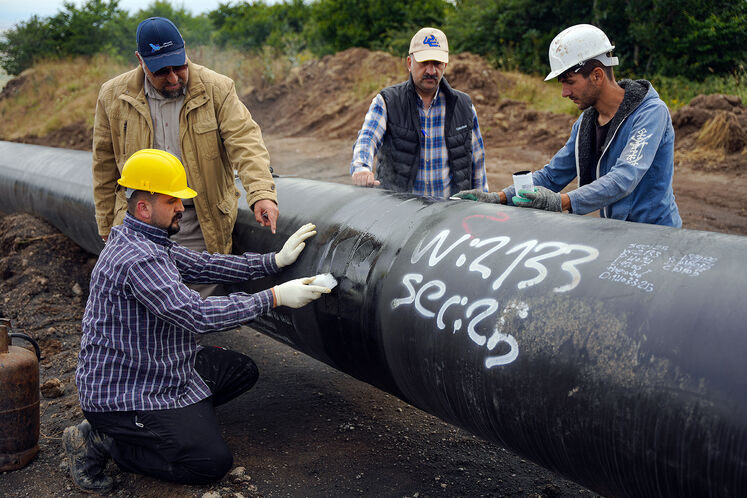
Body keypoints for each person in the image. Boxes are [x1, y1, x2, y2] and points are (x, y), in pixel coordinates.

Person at [63, 149, 330, 493]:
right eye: (173, 201)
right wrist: (274, 297)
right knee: (210, 462)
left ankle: (178, 423)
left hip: (155, 367)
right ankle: (104, 440)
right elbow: (196, 315)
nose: (181, 207)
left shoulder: (146, 240)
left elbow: (205, 265)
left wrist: (273, 261)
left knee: (241, 370)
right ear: (144, 207)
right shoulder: (138, 260)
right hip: (126, 394)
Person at [92, 16, 279, 261]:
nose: (173, 78)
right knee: (146, 295)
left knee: (198, 294)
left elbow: (245, 142)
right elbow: (104, 168)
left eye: (178, 66)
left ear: (184, 50)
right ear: (140, 61)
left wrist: (261, 192)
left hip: (199, 220)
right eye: (161, 71)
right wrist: (107, 228)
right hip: (139, 224)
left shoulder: (217, 89)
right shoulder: (113, 96)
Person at [456, 24, 681, 227]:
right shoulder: (586, 123)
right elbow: (553, 175)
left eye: (570, 82)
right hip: (619, 233)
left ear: (597, 75)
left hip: (658, 235)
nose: (564, 93)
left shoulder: (650, 113)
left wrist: (561, 202)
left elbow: (624, 178)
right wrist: (500, 198)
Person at [350, 27, 488, 198]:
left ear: (445, 65)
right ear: (409, 63)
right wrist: (361, 167)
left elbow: (478, 162)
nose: (431, 71)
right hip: (399, 210)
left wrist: (482, 205)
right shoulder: (388, 101)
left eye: (437, 64)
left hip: (449, 213)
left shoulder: (464, 105)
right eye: (424, 63)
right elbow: (367, 138)